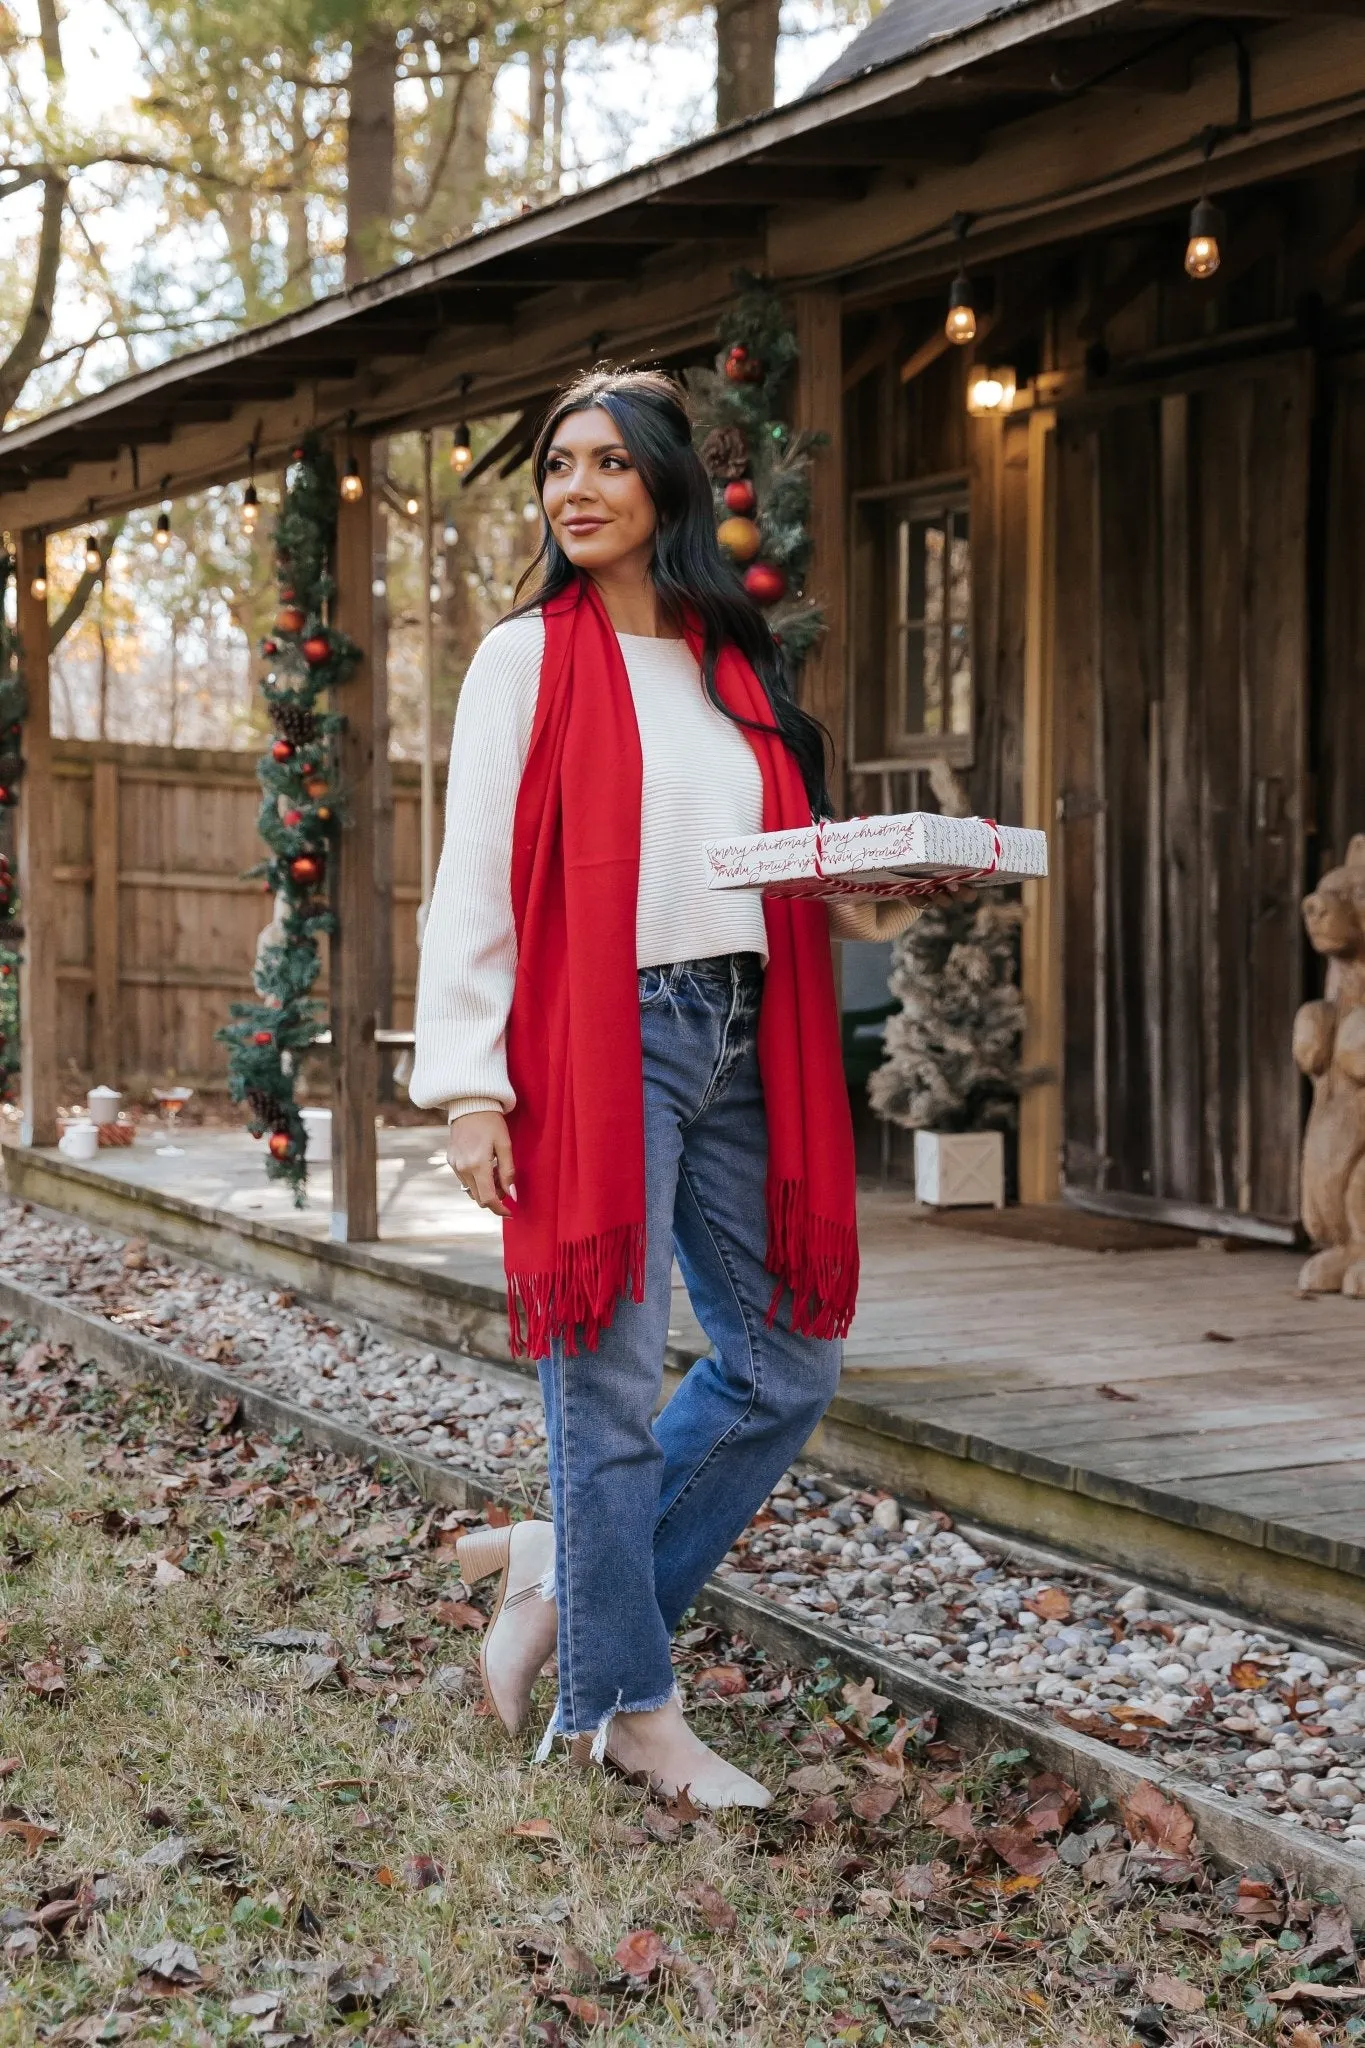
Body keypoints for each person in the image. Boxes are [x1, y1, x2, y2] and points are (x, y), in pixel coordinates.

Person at [410, 367, 920, 1808]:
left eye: (606, 465)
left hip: (751, 1033)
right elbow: (474, 880)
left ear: (665, 489)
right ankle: (629, 1705)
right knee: (610, 1386)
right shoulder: (522, 660)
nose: (574, 489)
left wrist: (890, 888)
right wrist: (468, 1083)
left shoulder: (729, 665)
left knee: (785, 1361)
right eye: (557, 467)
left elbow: (773, 870)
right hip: (601, 1040)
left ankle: (565, 1565)